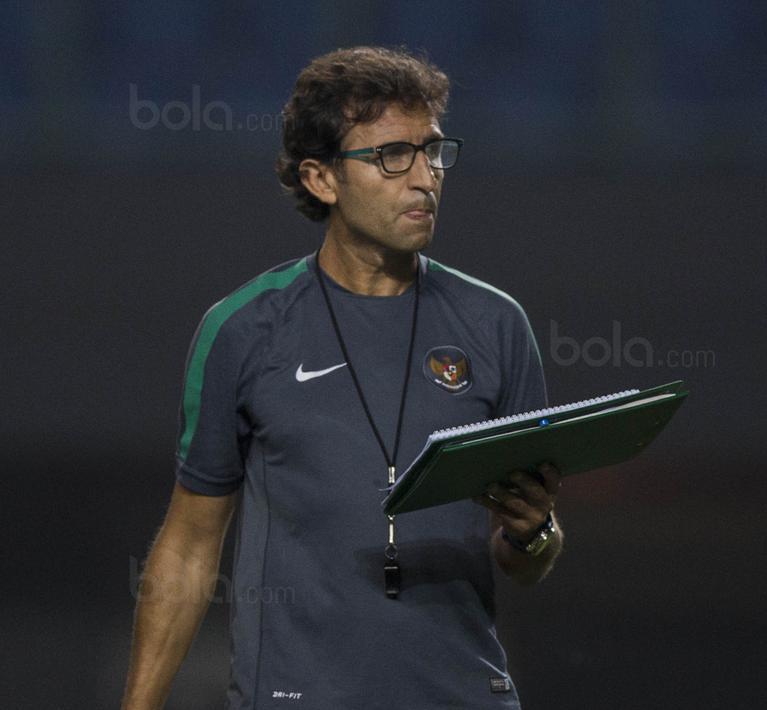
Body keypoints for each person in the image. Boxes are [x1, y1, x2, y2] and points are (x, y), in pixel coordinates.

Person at [122, 46, 562, 710]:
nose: (424, 179)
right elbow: (189, 547)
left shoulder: (496, 326)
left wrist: (536, 533)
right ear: (321, 179)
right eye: (391, 156)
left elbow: (524, 560)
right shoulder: (244, 330)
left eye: (432, 151)